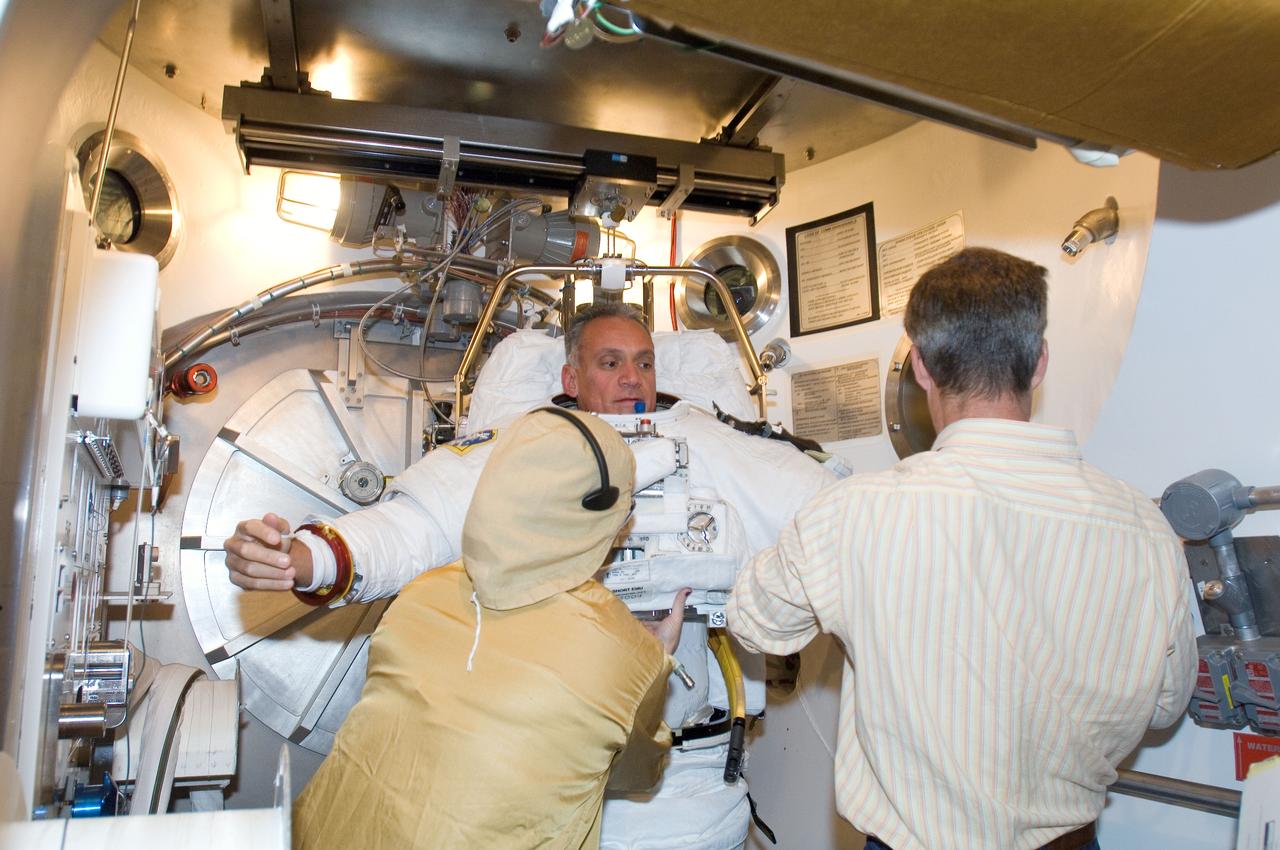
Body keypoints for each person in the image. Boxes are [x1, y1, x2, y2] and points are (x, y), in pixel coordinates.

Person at [226, 301, 840, 850]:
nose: (633, 378)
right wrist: (307, 559)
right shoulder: (521, 452)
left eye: (646, 364)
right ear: (571, 379)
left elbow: (829, 514)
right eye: (611, 362)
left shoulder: (710, 443)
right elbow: (411, 530)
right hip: (558, 771)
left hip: (691, 780)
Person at [728, 247, 1197, 850]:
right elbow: (1165, 706)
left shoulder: (855, 514)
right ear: (1038, 365)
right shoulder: (1145, 526)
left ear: (920, 367)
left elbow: (755, 622)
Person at [293, 408, 687, 849]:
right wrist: (656, 659)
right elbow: (639, 771)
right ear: (607, 519)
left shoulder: (420, 594)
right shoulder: (623, 654)